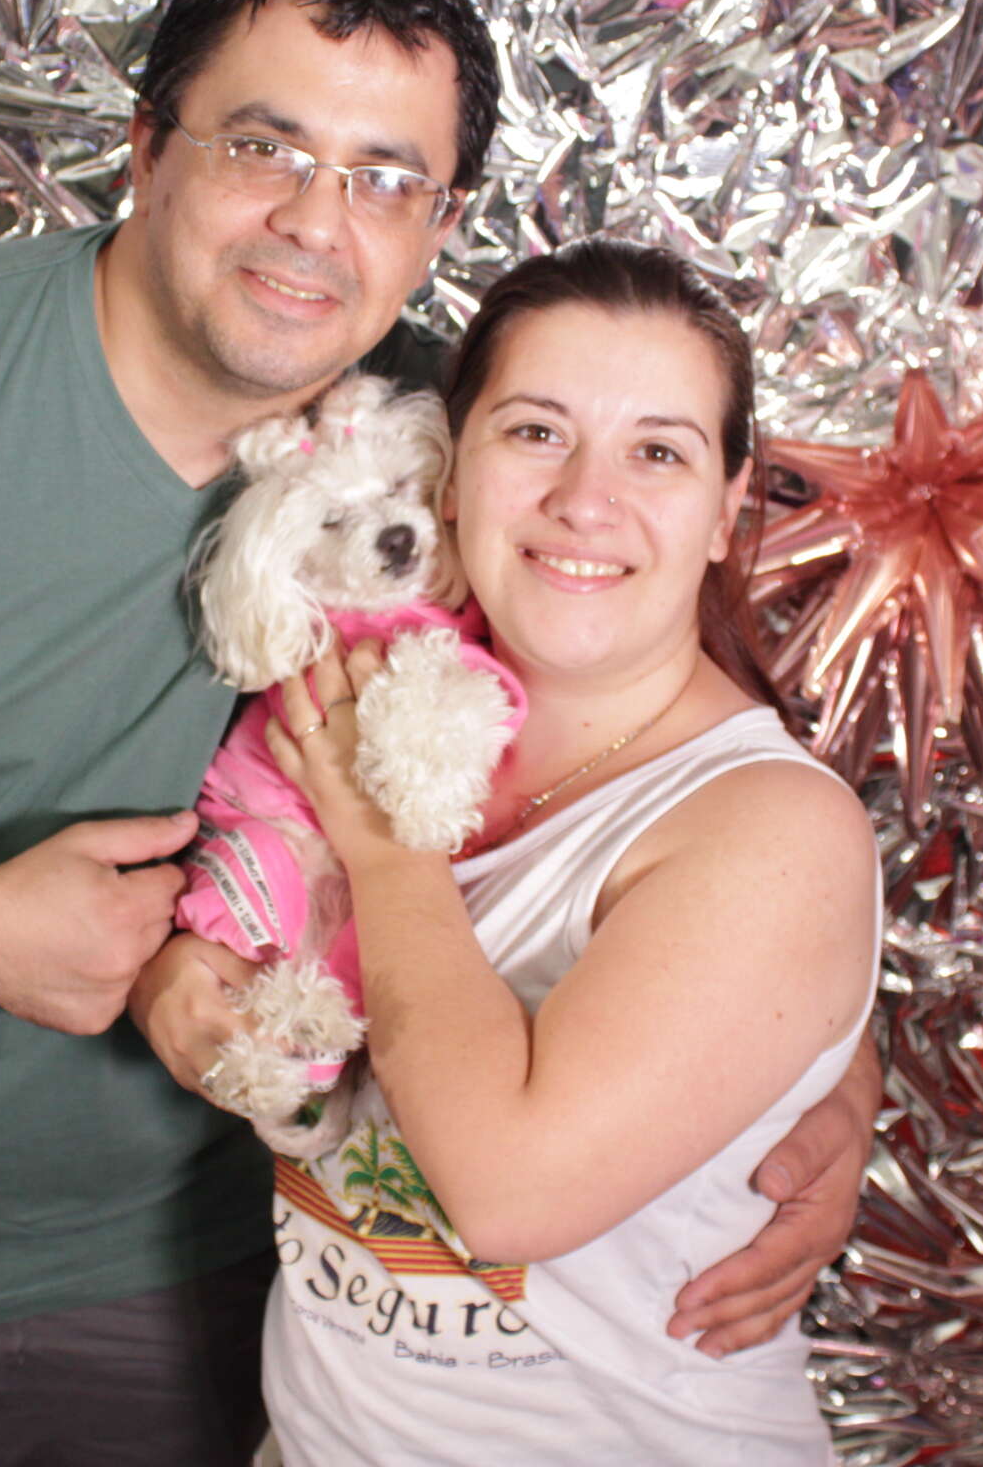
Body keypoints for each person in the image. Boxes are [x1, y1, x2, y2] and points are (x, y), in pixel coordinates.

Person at [0, 0, 877, 1467]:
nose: (315, 224)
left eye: (385, 178)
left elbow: (688, 764)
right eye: (264, 147)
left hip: (202, 1263)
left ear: (439, 224)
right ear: (146, 147)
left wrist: (825, 1078)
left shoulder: (466, 439)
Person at [135, 240, 881, 1463]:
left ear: (725, 508)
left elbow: (507, 1194)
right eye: (536, 432)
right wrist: (172, 971)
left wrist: (387, 849)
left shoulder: (774, 829)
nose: (587, 499)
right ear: (451, 469)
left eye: (658, 452)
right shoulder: (357, 682)